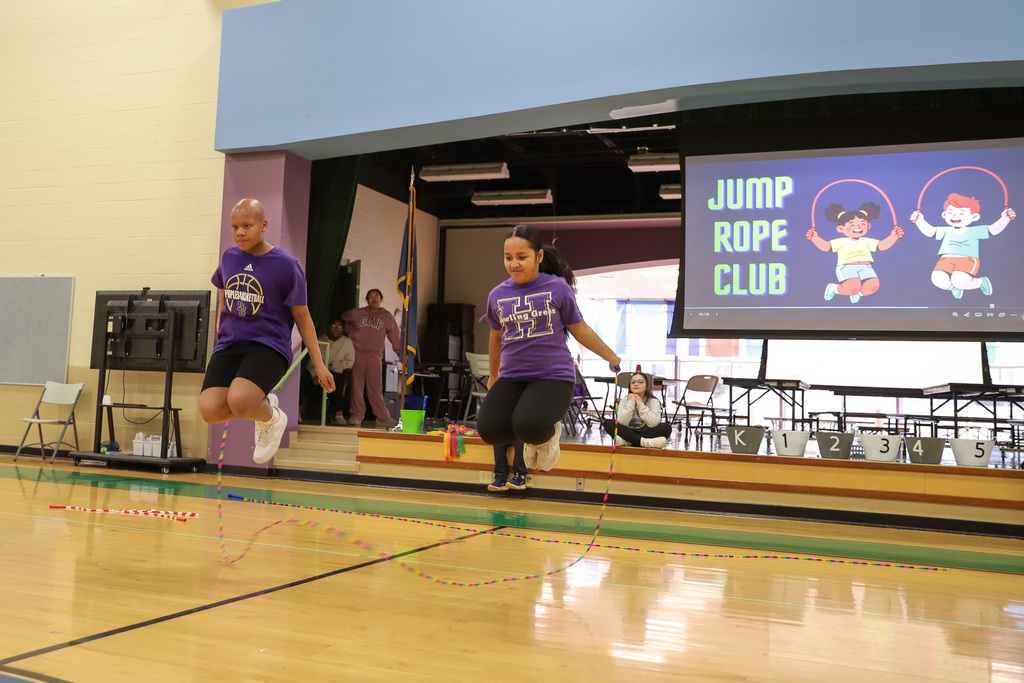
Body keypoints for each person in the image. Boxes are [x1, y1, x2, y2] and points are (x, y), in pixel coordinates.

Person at [199, 198, 334, 463]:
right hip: (229, 346)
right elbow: (224, 294)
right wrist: (220, 334)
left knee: (239, 401)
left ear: (263, 225)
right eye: (235, 226)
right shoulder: (229, 256)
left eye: (247, 225)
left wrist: (319, 365)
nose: (240, 232)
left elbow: (303, 316)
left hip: (267, 346)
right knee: (210, 411)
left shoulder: (287, 265)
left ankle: (270, 417)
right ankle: (261, 405)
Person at [476, 224, 621, 472]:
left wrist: (610, 356)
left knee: (528, 424)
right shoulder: (497, 295)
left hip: (552, 376)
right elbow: (495, 337)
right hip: (512, 376)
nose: (514, 264)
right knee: (490, 429)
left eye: (522, 257)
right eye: (508, 258)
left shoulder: (556, 287)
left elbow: (580, 328)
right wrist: (493, 374)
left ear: (538, 256)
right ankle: (535, 433)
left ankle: (546, 433)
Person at [910, 193, 1015, 299]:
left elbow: (993, 229)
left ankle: (980, 282)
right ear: (944, 215)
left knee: (959, 281)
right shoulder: (945, 230)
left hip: (967, 260)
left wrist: (1005, 218)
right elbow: (930, 231)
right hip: (945, 259)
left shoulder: (974, 231)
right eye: (950, 213)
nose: (955, 216)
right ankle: (953, 288)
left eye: (961, 213)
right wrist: (919, 220)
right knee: (937, 279)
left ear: (974, 217)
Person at [806, 202, 903, 304]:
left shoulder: (867, 241)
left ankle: (858, 294)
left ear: (868, 226)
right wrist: (814, 238)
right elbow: (826, 246)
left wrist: (894, 236)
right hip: (846, 267)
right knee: (852, 287)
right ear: (840, 229)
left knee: (873, 286)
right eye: (852, 225)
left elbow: (882, 246)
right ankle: (834, 288)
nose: (858, 227)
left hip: (866, 267)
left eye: (862, 224)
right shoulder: (841, 242)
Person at [342, 288, 401, 429]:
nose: (374, 299)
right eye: (370, 296)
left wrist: (399, 351)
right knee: (357, 386)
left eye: (377, 296)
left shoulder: (387, 317)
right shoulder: (357, 313)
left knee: (375, 387)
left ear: (381, 299)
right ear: (366, 299)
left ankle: (382, 417)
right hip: (358, 353)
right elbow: (343, 320)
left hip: (375, 355)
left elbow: (395, 335)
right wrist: (350, 335)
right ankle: (356, 416)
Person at [302, 319, 355, 424]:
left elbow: (349, 362)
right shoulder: (320, 340)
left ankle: (338, 414)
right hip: (316, 374)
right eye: (333, 326)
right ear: (329, 327)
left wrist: (333, 366)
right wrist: (316, 376)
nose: (336, 329)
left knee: (336, 380)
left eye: (339, 327)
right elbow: (311, 361)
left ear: (343, 329)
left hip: (335, 372)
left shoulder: (347, 343)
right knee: (303, 377)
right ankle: (298, 411)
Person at [603, 372, 672, 449]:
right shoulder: (625, 400)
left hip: (646, 432)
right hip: (627, 431)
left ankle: (628, 441)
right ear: (630, 386)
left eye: (640, 382)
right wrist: (631, 402)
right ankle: (644, 442)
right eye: (633, 382)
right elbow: (622, 422)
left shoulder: (653, 401)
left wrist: (640, 404)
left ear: (647, 386)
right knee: (608, 423)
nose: (636, 384)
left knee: (666, 427)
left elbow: (653, 423)